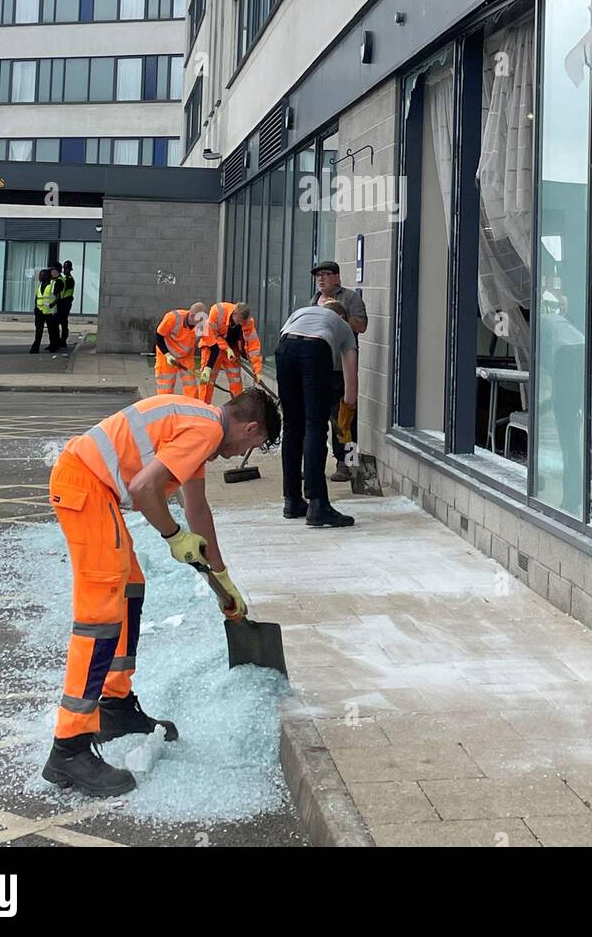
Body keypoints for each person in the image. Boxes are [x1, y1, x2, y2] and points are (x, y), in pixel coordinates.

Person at [41, 386, 281, 798]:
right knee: (99, 617)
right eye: (252, 445)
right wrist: (172, 536)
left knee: (131, 588)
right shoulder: (205, 432)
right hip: (86, 487)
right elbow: (144, 488)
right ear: (250, 426)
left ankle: (115, 705)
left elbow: (198, 511)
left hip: (92, 490)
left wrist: (221, 581)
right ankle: (70, 746)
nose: (242, 454)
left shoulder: (201, 426)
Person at [276, 299, 358, 528]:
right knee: (315, 426)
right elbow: (351, 380)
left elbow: (285, 341)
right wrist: (347, 414)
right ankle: (318, 504)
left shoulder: (302, 312)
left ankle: (292, 501)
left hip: (285, 349)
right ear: (342, 317)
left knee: (292, 426)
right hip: (315, 349)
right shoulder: (343, 328)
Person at [310, 262, 369, 482]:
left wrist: (340, 317)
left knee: (345, 418)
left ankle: (349, 463)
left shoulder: (350, 298)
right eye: (318, 275)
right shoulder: (314, 300)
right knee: (317, 418)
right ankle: (317, 464)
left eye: (325, 275)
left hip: (342, 369)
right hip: (318, 368)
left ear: (337, 277)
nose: (321, 279)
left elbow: (362, 326)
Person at [197, 301, 263, 402]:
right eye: (239, 321)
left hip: (233, 350)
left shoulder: (248, 322)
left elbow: (253, 348)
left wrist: (257, 372)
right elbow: (212, 335)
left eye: (243, 322)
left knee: (236, 380)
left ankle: (237, 408)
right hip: (212, 347)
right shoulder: (217, 311)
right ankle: (203, 407)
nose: (241, 324)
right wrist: (226, 348)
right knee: (208, 379)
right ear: (235, 314)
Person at [154, 302, 207, 395]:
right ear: (191, 315)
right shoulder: (172, 317)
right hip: (167, 354)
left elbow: (210, 345)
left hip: (186, 356)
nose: (200, 324)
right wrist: (167, 355)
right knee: (165, 386)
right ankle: (166, 407)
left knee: (191, 385)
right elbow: (159, 336)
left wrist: (208, 368)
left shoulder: (202, 323)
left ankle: (192, 407)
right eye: (199, 321)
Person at [30, 266, 62, 353]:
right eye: (40, 275)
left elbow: (58, 297)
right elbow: (38, 296)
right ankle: (35, 347)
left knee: (52, 330)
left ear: (46, 276)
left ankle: (53, 346)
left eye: (42, 275)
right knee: (38, 330)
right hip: (39, 310)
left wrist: (52, 304)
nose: (40, 277)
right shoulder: (40, 285)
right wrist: (36, 306)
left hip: (49, 312)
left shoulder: (53, 284)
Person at [55, 259, 75, 351]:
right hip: (62, 302)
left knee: (63, 321)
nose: (65, 270)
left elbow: (63, 288)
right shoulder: (64, 279)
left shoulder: (69, 279)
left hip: (66, 302)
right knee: (62, 322)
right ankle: (60, 340)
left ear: (70, 269)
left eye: (67, 269)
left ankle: (63, 340)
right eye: (65, 268)